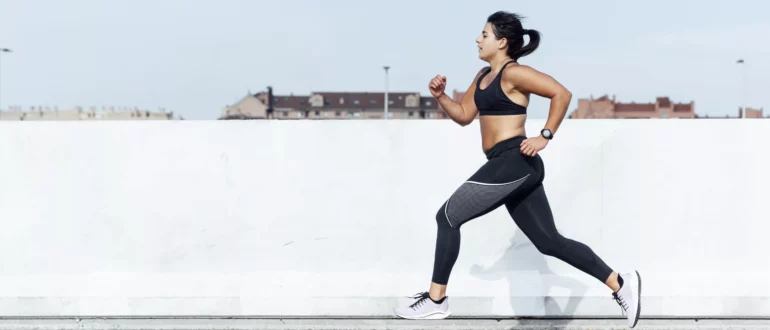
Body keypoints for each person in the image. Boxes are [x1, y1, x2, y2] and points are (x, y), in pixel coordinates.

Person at [393, 11, 641, 328]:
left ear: (502, 41)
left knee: (448, 216)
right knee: (550, 242)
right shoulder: (483, 76)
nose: (477, 39)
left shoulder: (514, 73)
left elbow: (561, 94)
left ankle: (436, 299)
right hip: (508, 165)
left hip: (515, 160)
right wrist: (441, 97)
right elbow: (464, 114)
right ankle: (621, 284)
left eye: (484, 34)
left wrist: (545, 136)